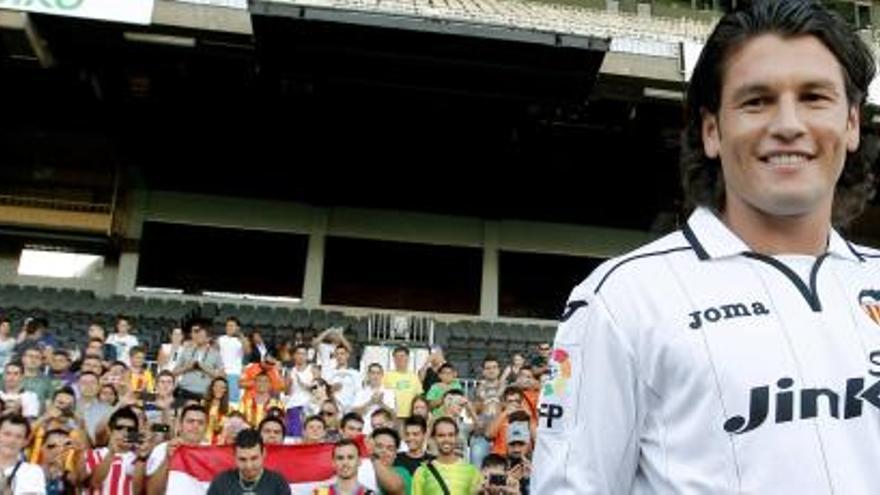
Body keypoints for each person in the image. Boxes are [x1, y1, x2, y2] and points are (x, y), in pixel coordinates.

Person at [532, 1, 880, 493]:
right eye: (756, 101)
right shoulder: (624, 299)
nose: (787, 124)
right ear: (711, 130)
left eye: (814, 97)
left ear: (851, 124)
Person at [84, 406, 151, 495]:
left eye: (130, 429)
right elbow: (95, 484)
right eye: (119, 428)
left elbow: (136, 491)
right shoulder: (92, 454)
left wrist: (141, 459)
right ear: (109, 431)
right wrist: (111, 453)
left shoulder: (140, 459)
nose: (125, 433)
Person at [146, 404, 209, 495]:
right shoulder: (161, 449)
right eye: (190, 421)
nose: (195, 426)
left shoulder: (212, 454)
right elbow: (152, 492)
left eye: (201, 423)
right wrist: (167, 459)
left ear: (206, 427)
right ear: (180, 425)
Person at [206, 429, 291, 495]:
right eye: (242, 459)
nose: (249, 466)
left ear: (263, 454)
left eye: (254, 458)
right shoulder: (221, 482)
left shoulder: (278, 483)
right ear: (234, 456)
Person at [411, 418, 480, 495]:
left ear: (456, 437)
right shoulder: (422, 472)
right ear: (434, 438)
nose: (446, 439)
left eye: (451, 435)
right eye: (441, 435)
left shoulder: (471, 471)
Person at [173, 320, 224, 401]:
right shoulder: (187, 350)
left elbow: (222, 376)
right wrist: (187, 367)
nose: (197, 337)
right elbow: (174, 372)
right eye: (197, 334)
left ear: (208, 338)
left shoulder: (215, 354)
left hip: (204, 394)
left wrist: (203, 367)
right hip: (184, 391)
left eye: (201, 335)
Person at [0, 414, 46, 495]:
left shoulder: (33, 472)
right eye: (7, 434)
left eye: (19, 437)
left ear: (25, 442)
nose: (12, 440)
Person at [352, 364, 395, 433]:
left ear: (382, 375)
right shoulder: (360, 392)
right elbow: (355, 413)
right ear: (368, 375)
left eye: (378, 373)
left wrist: (380, 403)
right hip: (365, 429)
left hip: (383, 430)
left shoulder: (389, 392)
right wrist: (370, 402)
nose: (375, 376)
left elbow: (392, 414)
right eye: (373, 373)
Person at [383, 347, 422, 420]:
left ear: (408, 358)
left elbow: (418, 397)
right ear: (393, 359)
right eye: (396, 357)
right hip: (391, 416)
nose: (399, 359)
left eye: (402, 356)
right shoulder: (386, 376)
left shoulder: (414, 377)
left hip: (411, 416)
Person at [370, 428, 410, 495]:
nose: (384, 451)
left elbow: (393, 487)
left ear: (395, 454)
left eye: (390, 448)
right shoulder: (361, 470)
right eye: (379, 446)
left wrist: (375, 458)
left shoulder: (402, 472)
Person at [217, 317, 245, 403]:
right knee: (219, 399)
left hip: (234, 374)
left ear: (237, 328)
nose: (229, 328)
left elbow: (248, 351)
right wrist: (219, 369)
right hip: (221, 373)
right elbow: (215, 355)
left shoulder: (242, 340)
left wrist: (242, 337)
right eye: (227, 325)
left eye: (232, 326)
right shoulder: (220, 339)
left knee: (232, 401)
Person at [204, 377, 231, 444]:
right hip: (201, 441)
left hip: (217, 443)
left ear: (225, 390)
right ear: (212, 388)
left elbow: (225, 430)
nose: (219, 389)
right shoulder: (202, 403)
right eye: (216, 386)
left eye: (222, 387)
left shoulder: (229, 409)